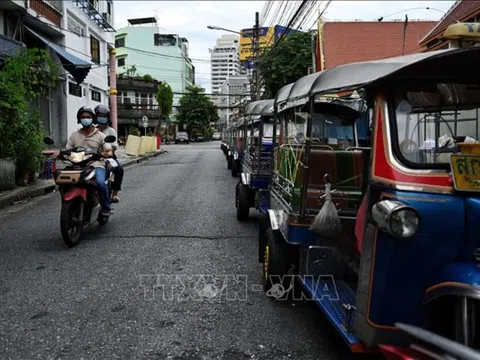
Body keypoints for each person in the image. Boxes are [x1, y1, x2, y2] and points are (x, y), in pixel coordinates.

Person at [65, 106, 113, 216]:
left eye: (88, 117)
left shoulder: (100, 135)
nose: (85, 119)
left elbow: (108, 149)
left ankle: (106, 207)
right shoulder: (74, 135)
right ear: (79, 119)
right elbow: (67, 149)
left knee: (101, 184)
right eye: (83, 117)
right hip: (77, 166)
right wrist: (59, 154)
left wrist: (107, 152)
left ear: (93, 119)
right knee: (63, 182)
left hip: (96, 165)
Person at [94, 104, 123, 203]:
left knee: (119, 170)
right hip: (93, 157)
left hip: (109, 157)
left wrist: (108, 152)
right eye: (99, 115)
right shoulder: (92, 130)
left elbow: (114, 146)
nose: (101, 118)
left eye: (104, 116)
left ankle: (114, 194)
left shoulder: (111, 131)